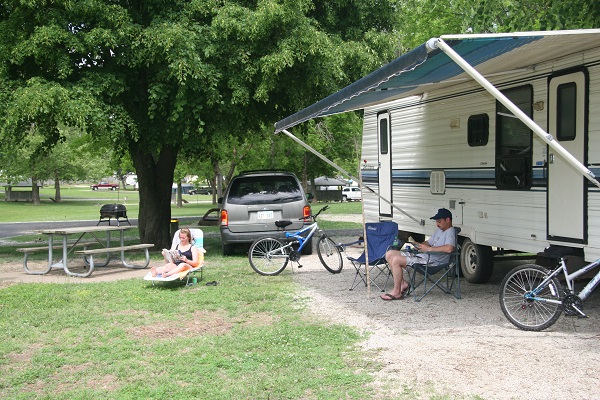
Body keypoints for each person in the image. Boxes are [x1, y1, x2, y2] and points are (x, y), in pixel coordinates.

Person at [380, 208, 456, 301]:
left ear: (447, 220)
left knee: (396, 260)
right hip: (425, 257)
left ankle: (397, 292)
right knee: (389, 254)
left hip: (433, 262)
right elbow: (429, 242)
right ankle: (403, 284)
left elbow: (449, 248)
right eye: (436, 221)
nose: (437, 224)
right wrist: (419, 245)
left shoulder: (451, 232)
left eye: (439, 221)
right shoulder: (440, 230)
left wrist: (428, 249)